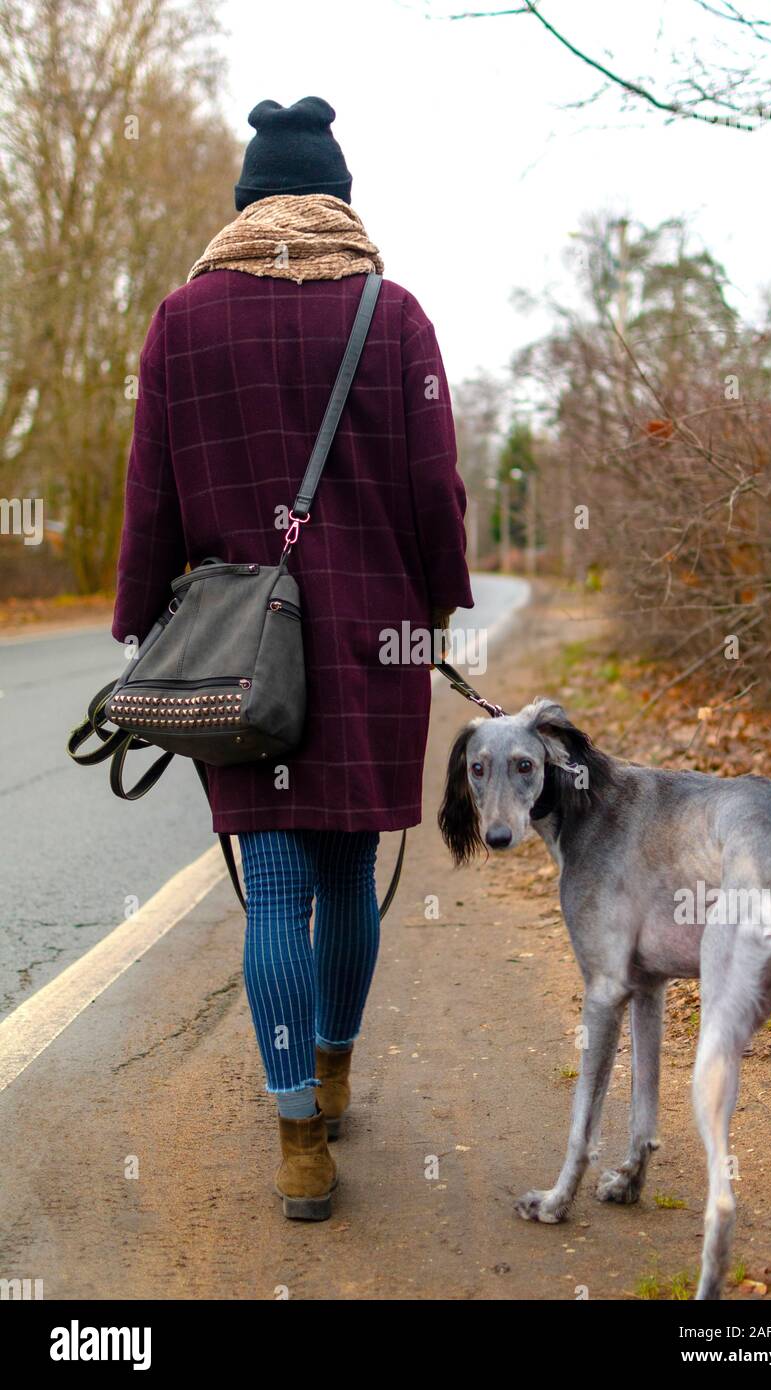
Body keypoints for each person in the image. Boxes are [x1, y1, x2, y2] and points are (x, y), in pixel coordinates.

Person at [111, 96, 474, 1220]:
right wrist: (439, 609)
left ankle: (296, 1143)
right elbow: (432, 492)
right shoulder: (395, 315)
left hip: (238, 658)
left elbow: (151, 492)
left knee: (270, 890)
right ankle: (332, 1072)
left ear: (244, 206)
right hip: (371, 648)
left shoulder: (181, 321)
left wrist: (139, 619)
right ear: (339, 199)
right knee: (345, 879)